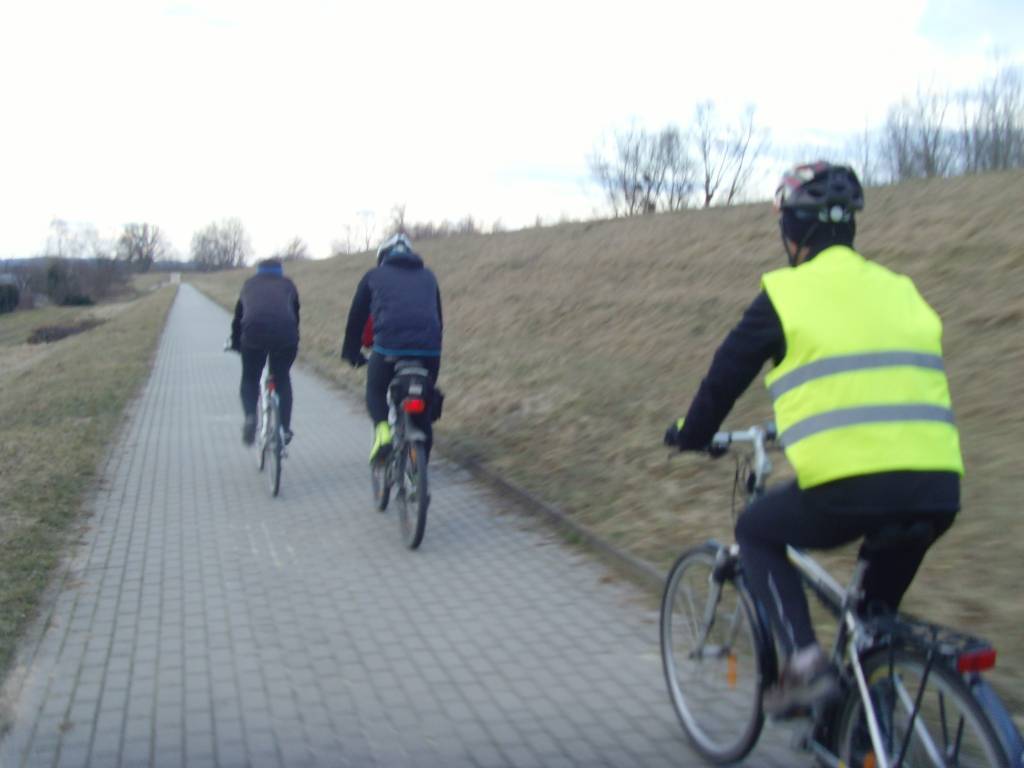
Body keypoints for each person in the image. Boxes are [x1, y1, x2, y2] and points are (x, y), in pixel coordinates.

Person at [663, 161, 963, 716]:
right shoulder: (902, 290)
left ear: (792, 230)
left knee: (756, 530)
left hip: (853, 488)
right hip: (938, 488)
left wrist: (691, 432)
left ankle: (803, 665)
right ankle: (867, 728)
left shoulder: (785, 294)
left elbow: (725, 376)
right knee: (872, 623)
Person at [340, 233, 443, 462]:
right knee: (424, 399)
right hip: (429, 351)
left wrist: (351, 353)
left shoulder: (373, 276)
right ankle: (420, 462)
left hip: (388, 349)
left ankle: (383, 435)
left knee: (375, 390)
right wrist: (434, 349)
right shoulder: (429, 276)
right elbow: (438, 318)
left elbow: (357, 317)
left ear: (382, 257)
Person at [230, 258, 301, 445]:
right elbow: (295, 315)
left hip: (253, 336)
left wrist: (236, 343)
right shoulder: (288, 284)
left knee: (250, 378)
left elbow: (238, 318)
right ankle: (284, 429)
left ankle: (250, 417)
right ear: (280, 270)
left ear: (258, 270)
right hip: (286, 337)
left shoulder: (249, 285)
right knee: (282, 378)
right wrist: (294, 340)